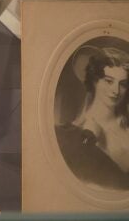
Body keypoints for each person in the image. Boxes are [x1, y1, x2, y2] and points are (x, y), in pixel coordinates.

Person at [54, 44, 129, 189]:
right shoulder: (72, 135)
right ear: (95, 81)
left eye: (123, 84)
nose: (116, 90)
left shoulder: (125, 125)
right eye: (108, 81)